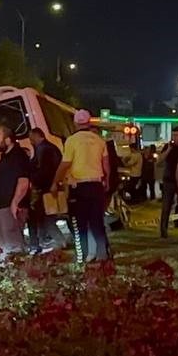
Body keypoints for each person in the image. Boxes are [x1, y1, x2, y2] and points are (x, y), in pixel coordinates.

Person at [53, 109, 111, 263]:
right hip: (96, 185)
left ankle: (83, 257)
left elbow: (65, 164)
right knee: (97, 222)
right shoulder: (99, 140)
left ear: (76, 123)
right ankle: (102, 255)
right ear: (89, 122)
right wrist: (107, 181)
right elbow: (106, 165)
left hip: (79, 187)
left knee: (80, 225)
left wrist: (55, 182)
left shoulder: (72, 141)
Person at [0, 126, 32, 256]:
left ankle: (18, 270)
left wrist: (15, 203)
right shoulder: (6, 157)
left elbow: (23, 181)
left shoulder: (18, 156)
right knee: (3, 245)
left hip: (11, 206)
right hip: (2, 205)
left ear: (8, 140)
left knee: (13, 245)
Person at [28, 128, 65, 253]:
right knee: (45, 216)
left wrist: (34, 180)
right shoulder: (48, 148)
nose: (29, 141)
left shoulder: (45, 149)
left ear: (36, 136)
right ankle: (47, 240)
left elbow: (46, 171)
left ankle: (58, 241)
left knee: (46, 216)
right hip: (50, 186)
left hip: (48, 188)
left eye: (31, 137)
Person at [158, 130, 178, 239]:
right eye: (173, 135)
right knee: (166, 206)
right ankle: (163, 230)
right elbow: (159, 161)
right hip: (169, 180)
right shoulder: (168, 147)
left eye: (176, 135)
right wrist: (169, 149)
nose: (174, 137)